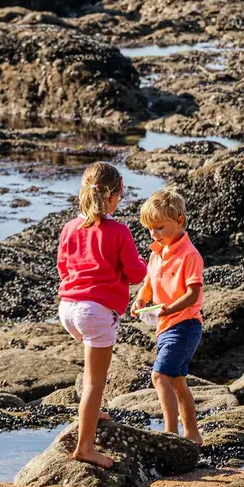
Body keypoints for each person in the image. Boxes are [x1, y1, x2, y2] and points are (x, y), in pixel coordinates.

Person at [57, 161, 148, 468]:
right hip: (94, 311)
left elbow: (63, 268)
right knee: (95, 383)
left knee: (90, 373)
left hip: (68, 308)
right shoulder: (119, 231)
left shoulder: (70, 228)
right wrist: (146, 264)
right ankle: (85, 448)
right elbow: (135, 274)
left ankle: (91, 412)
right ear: (115, 195)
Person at [132, 188, 204, 444]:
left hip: (185, 325)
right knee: (178, 383)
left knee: (159, 376)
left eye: (159, 228)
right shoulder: (156, 253)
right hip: (166, 326)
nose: (154, 234)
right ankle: (193, 435)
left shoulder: (189, 256)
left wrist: (168, 309)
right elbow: (148, 285)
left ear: (179, 221)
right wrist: (141, 299)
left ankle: (170, 433)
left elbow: (193, 295)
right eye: (150, 229)